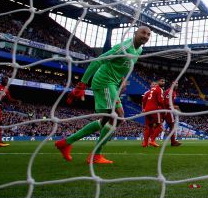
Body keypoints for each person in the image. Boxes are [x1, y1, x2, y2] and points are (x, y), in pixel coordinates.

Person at [54, 26, 151, 165]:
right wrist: (82, 84)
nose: (146, 36)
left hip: (113, 83)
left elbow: (121, 66)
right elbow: (98, 60)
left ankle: (66, 142)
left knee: (106, 120)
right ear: (135, 32)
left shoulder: (139, 50)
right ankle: (95, 154)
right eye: (143, 33)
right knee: (118, 116)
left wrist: (122, 81)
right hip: (104, 81)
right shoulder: (123, 47)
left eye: (148, 34)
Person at [142, 78, 165, 148]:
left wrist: (144, 108)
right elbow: (160, 101)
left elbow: (144, 99)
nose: (163, 83)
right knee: (159, 126)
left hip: (147, 110)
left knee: (148, 127)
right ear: (158, 82)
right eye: (162, 81)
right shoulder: (159, 89)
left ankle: (145, 143)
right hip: (154, 109)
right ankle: (152, 141)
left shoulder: (150, 91)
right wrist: (164, 109)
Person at [163, 80, 182, 147]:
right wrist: (175, 107)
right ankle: (173, 142)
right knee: (172, 126)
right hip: (167, 111)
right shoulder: (170, 91)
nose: (177, 85)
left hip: (167, 110)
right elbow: (167, 103)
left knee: (171, 126)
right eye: (175, 83)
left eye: (177, 83)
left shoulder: (173, 92)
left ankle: (173, 141)